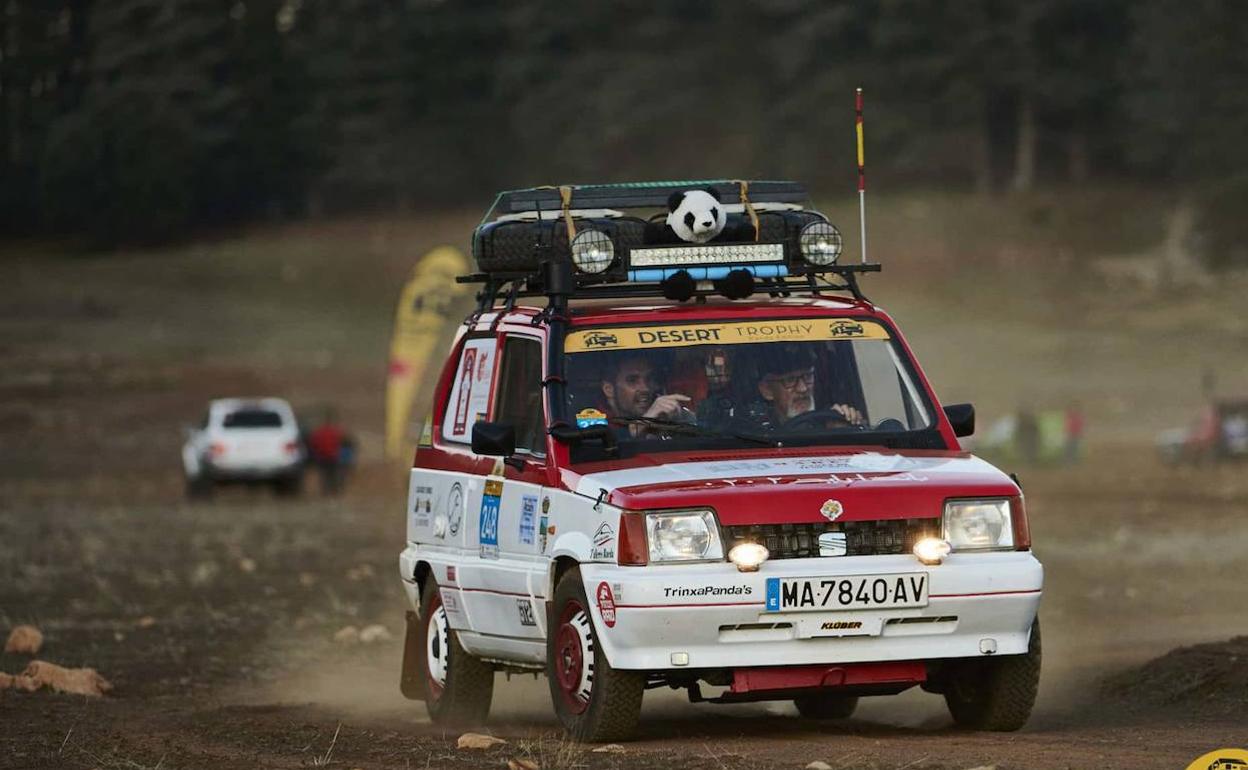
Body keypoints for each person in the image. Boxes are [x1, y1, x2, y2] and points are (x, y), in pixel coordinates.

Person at [751, 345, 864, 429]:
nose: (803, 388)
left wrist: (844, 428)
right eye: (790, 380)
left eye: (808, 376)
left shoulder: (831, 420)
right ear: (767, 390)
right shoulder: (755, 434)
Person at [600, 354, 693, 438]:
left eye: (649, 379)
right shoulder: (591, 419)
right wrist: (645, 421)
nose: (645, 388)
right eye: (632, 380)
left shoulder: (661, 414)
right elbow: (596, 447)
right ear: (609, 390)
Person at [308, 408, 352, 495]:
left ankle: (326, 491)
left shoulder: (319, 432)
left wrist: (315, 454)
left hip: (322, 457)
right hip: (333, 456)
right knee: (333, 475)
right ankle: (334, 491)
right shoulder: (336, 432)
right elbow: (342, 442)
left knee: (324, 476)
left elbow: (313, 443)